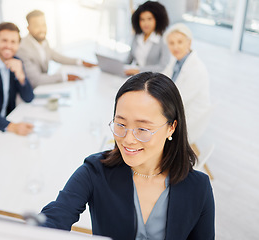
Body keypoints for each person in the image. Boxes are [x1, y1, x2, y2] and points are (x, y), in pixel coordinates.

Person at [39, 72, 215, 240]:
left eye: (143, 129)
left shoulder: (199, 188)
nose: (128, 139)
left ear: (171, 127)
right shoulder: (94, 172)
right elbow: (56, 216)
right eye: (120, 124)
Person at [16, 10, 96, 89]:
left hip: (43, 86)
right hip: (33, 91)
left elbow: (56, 56)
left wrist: (80, 62)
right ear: (28, 28)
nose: (42, 29)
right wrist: (65, 77)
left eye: (43, 25)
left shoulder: (42, 40)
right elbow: (36, 80)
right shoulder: (23, 49)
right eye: (37, 26)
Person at [162, 23, 211, 143]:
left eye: (180, 42)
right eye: (171, 43)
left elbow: (180, 99)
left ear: (189, 43)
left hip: (190, 119)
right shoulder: (176, 61)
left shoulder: (196, 69)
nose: (176, 47)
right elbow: (162, 79)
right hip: (177, 110)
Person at [125, 1, 170, 76]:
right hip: (136, 77)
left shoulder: (163, 40)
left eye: (149, 19)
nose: (146, 23)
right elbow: (128, 60)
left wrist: (138, 70)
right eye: (142, 19)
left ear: (157, 20)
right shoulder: (137, 36)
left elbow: (163, 66)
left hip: (153, 79)